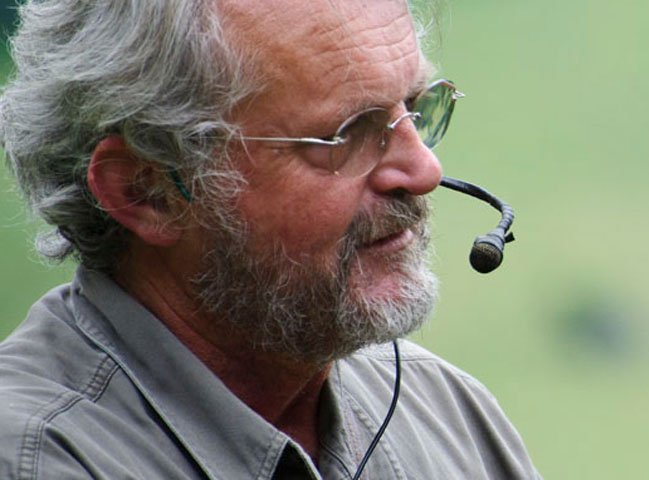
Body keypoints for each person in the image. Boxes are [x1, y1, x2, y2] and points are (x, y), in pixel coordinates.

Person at [0, 0, 540, 478]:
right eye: (347, 133)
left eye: (415, 108)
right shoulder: (38, 457)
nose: (424, 170)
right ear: (148, 191)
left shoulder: (446, 414)